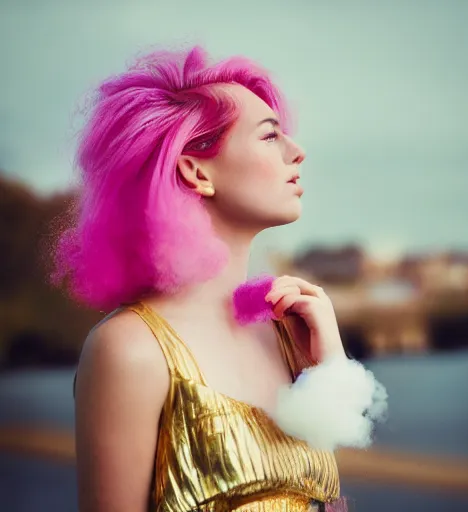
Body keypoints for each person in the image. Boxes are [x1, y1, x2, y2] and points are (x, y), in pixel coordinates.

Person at [53, 46, 386, 512]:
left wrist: (329, 372)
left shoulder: (284, 332)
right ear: (195, 170)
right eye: (270, 137)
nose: (298, 151)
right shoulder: (129, 349)